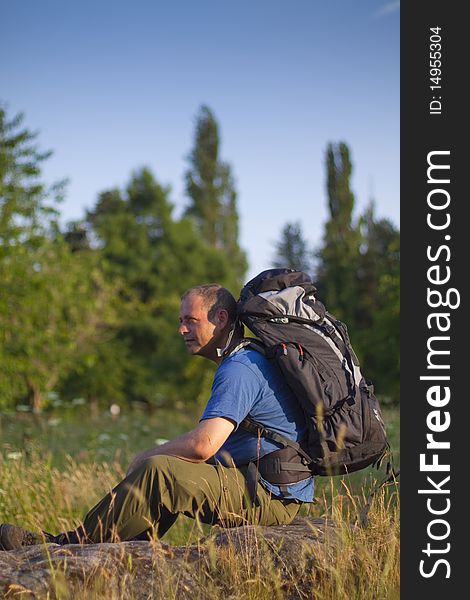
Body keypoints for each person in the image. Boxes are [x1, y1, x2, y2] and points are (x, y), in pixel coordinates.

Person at [0, 284, 314, 551]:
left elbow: (203, 445)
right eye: (180, 321)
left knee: (159, 470)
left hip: (269, 496)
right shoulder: (245, 360)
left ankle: (68, 548)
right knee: (170, 471)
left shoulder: (240, 368)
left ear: (220, 319)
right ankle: (124, 549)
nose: (181, 330)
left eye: (190, 321)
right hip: (264, 487)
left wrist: (143, 456)